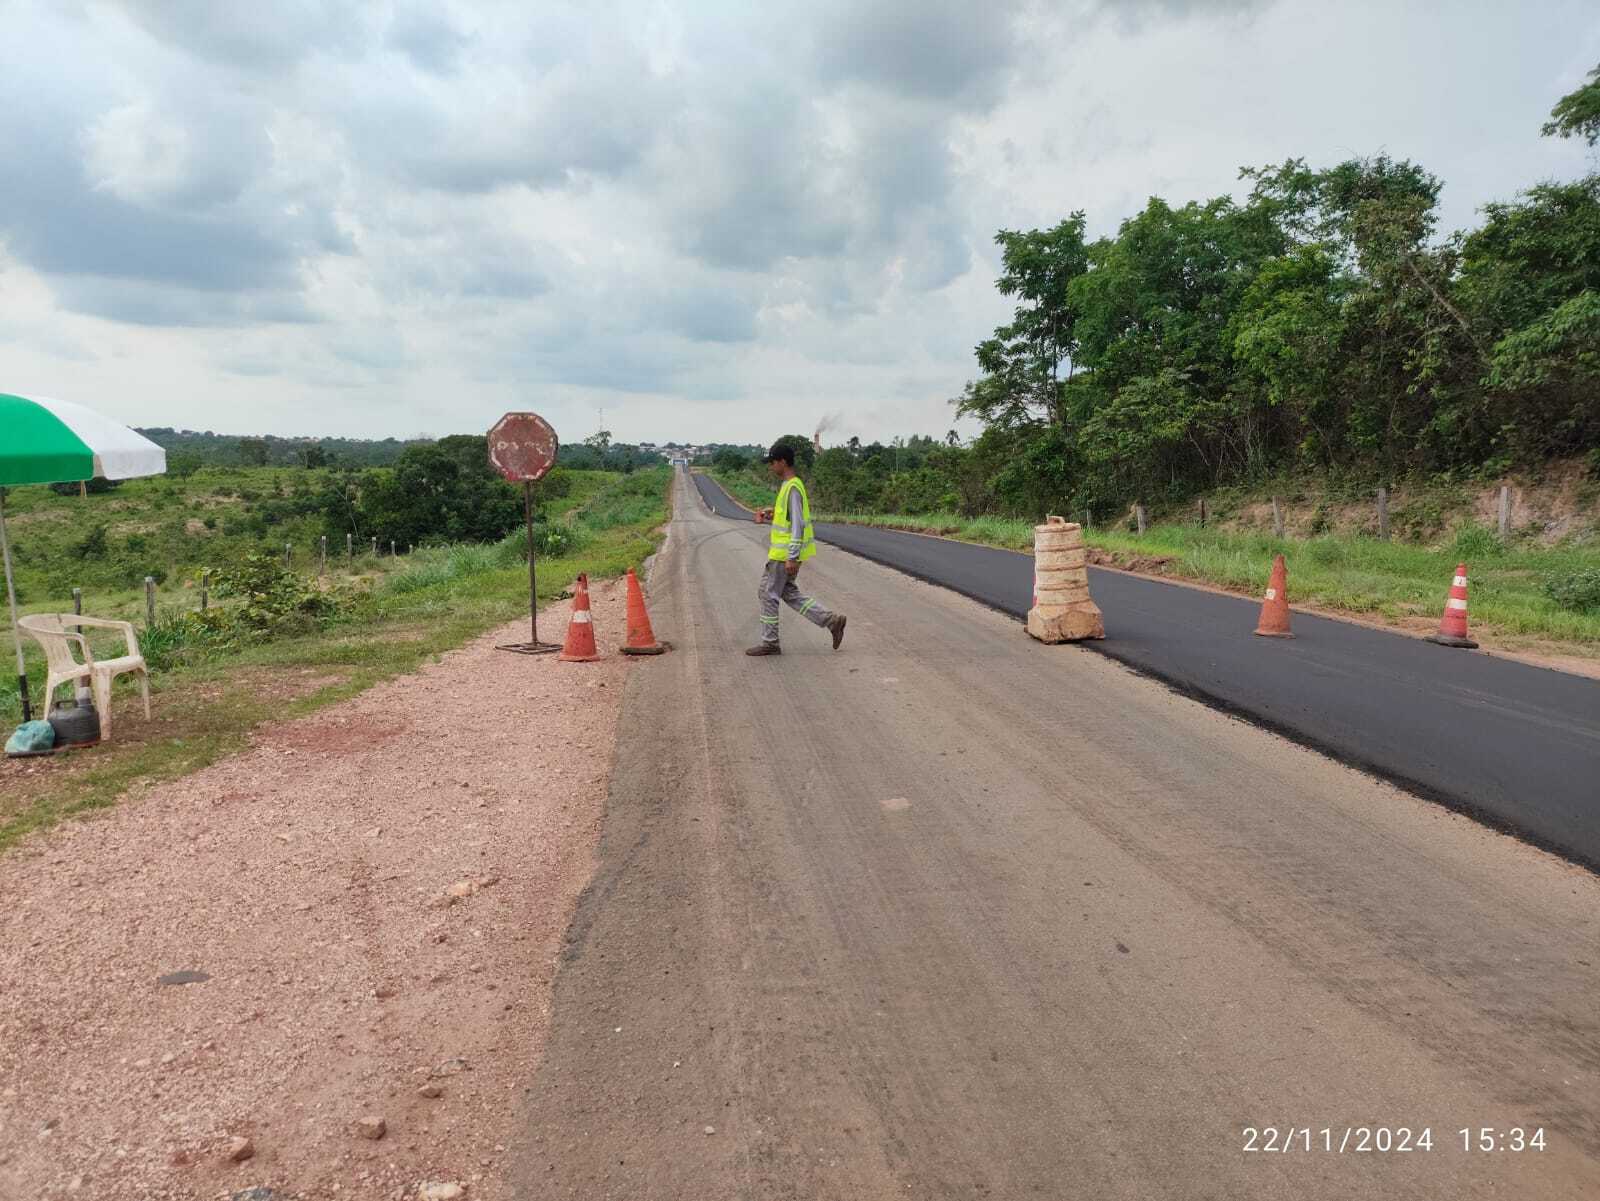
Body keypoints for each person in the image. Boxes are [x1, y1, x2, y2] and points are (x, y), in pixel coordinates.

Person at [746, 441, 846, 657]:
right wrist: (773, 513)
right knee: (788, 593)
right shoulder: (790, 485)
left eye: (772, 462)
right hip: (785, 555)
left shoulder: (792, 487)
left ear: (782, 462)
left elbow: (798, 524)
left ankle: (770, 642)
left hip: (783, 556)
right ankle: (831, 621)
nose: (771, 467)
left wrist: (792, 557)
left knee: (768, 593)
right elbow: (791, 518)